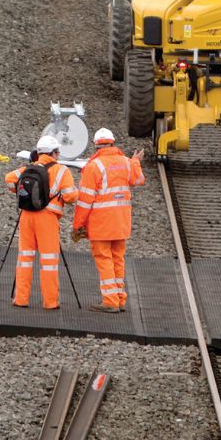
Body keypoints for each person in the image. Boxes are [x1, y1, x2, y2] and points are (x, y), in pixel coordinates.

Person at [71, 129, 145, 312]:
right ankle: (119, 298)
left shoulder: (94, 166)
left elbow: (85, 201)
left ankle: (110, 301)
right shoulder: (126, 163)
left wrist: (78, 225)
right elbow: (138, 180)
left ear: (96, 145)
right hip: (121, 222)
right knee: (118, 259)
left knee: (104, 259)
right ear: (112, 143)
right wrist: (135, 161)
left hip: (101, 224)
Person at [4, 133, 78, 310]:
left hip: (26, 216)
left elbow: (9, 179)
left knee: (25, 258)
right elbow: (70, 196)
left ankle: (21, 299)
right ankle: (50, 302)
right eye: (58, 152)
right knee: (49, 261)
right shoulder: (61, 171)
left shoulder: (28, 169)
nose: (59, 155)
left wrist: (21, 192)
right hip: (47, 218)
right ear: (53, 153)